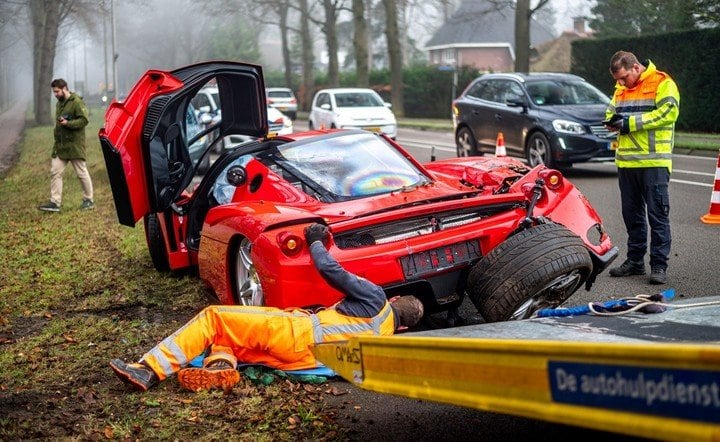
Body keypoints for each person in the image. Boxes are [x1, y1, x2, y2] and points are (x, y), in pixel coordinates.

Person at [110, 223, 424, 392]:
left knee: (215, 318)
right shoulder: (385, 339)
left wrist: (315, 241)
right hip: (301, 361)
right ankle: (221, 367)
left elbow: (332, 272)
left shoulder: (376, 298)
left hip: (294, 333)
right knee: (230, 338)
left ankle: (148, 370)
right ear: (404, 327)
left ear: (394, 301)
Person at [603, 51, 680, 285]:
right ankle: (635, 262)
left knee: (658, 217)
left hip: (654, 163)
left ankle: (658, 266)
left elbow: (669, 113)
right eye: (618, 80)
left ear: (636, 68)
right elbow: (610, 113)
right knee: (632, 216)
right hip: (626, 163)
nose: (620, 83)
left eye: (624, 77)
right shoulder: (620, 88)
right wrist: (612, 122)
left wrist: (629, 123)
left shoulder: (662, 82)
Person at [38, 79, 94, 212]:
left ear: (64, 88)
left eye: (57, 91)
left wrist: (68, 124)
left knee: (81, 173)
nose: (55, 94)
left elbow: (84, 120)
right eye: (54, 92)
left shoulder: (76, 102)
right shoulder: (60, 104)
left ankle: (89, 200)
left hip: (74, 145)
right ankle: (55, 202)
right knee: (55, 172)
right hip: (61, 146)